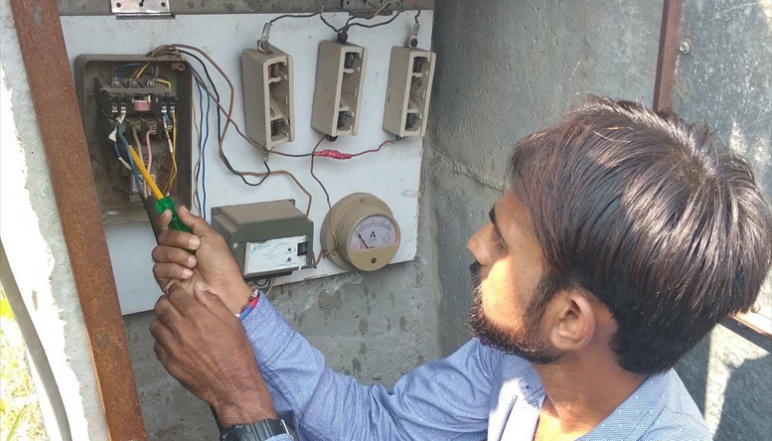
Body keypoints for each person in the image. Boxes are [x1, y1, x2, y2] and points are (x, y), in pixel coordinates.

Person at [150, 97, 772, 441]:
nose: (476, 245)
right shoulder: (525, 361)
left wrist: (243, 403)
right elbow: (379, 431)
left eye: (502, 245)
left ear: (570, 318)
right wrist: (240, 305)